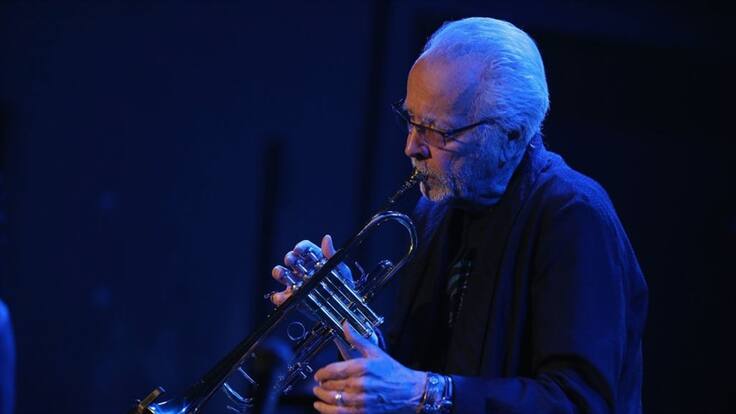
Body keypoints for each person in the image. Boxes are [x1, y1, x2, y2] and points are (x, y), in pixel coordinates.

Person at [269, 17, 648, 414]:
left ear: (512, 134)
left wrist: (427, 393)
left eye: (438, 131)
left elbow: (581, 401)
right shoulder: (435, 210)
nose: (412, 147)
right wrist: (345, 317)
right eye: (410, 120)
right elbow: (411, 370)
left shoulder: (573, 215)